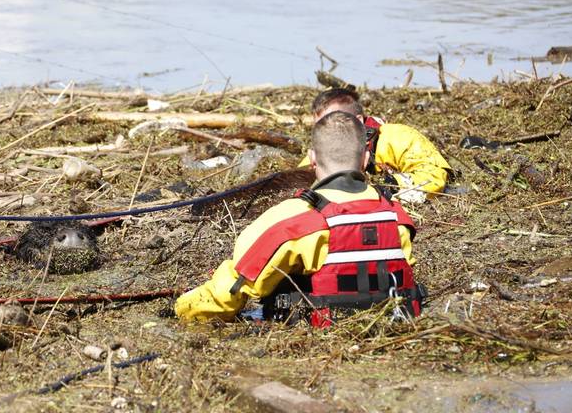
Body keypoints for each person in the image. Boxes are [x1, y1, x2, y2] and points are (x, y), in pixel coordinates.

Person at [175, 112, 425, 325]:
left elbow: (233, 290)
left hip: (319, 334)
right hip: (388, 324)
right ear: (366, 159)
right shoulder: (397, 217)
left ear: (312, 157)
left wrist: (182, 309)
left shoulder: (293, 220)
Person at [298, 88, 451, 203]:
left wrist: (387, 186)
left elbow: (434, 176)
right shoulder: (322, 149)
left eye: (332, 122)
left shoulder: (397, 137)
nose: (325, 132)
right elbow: (298, 180)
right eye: (320, 127)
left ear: (358, 120)